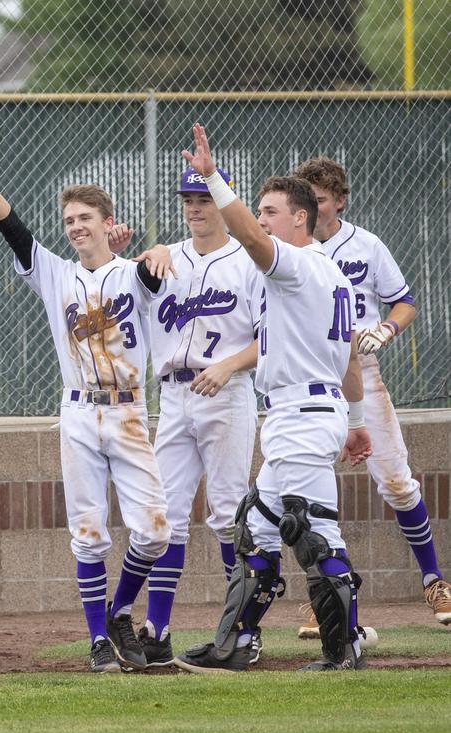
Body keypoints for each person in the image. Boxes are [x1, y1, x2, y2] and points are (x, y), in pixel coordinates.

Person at [0, 120, 174, 673]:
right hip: (78, 411)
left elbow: (154, 273)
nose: (75, 227)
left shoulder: (132, 273)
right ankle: (99, 639)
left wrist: (161, 247)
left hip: (127, 410)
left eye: (85, 219)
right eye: (69, 220)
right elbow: (9, 224)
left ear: (108, 223)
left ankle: (121, 609)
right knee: (89, 531)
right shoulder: (54, 275)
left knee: (153, 530)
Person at [172, 124, 373, 674]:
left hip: (303, 415)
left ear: (300, 218)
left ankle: (343, 649)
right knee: (256, 529)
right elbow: (350, 359)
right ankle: (234, 644)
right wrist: (355, 421)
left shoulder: (298, 264)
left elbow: (252, 242)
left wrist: (213, 179)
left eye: (270, 210)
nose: (261, 220)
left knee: (314, 532)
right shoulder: (330, 273)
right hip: (306, 411)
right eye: (258, 209)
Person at [293, 156, 450, 629]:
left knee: (397, 482)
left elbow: (405, 301)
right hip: (307, 374)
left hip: (361, 367)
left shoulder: (365, 245)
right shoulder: (287, 249)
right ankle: (327, 598)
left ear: (339, 201)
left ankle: (434, 581)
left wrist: (385, 329)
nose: (313, 207)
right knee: (307, 491)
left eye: (321, 199)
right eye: (307, 198)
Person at [139, 168, 264, 667]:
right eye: (188, 198)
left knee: (231, 515)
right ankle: (157, 630)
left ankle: (241, 633)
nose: (194, 207)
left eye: (204, 197)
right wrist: (144, 257)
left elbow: (271, 335)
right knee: (165, 518)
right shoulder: (167, 257)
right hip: (173, 397)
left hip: (228, 393)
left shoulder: (250, 262)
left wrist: (230, 364)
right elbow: (117, 286)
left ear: (222, 202)